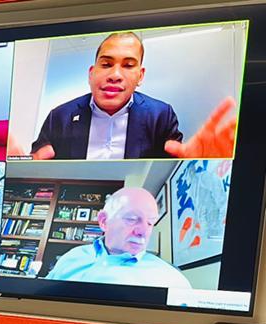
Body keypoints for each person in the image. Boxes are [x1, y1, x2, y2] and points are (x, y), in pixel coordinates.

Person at [27, 32, 236, 160]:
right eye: (106, 64)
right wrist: (21, 163)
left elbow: (175, 161)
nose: (115, 75)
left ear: (140, 76)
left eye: (128, 65)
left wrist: (200, 163)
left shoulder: (161, 115)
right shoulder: (60, 115)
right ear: (91, 73)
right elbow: (36, 158)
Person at [47, 187, 191, 288]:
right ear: (104, 221)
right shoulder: (71, 257)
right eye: (132, 219)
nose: (143, 231)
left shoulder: (172, 280)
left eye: (150, 222)